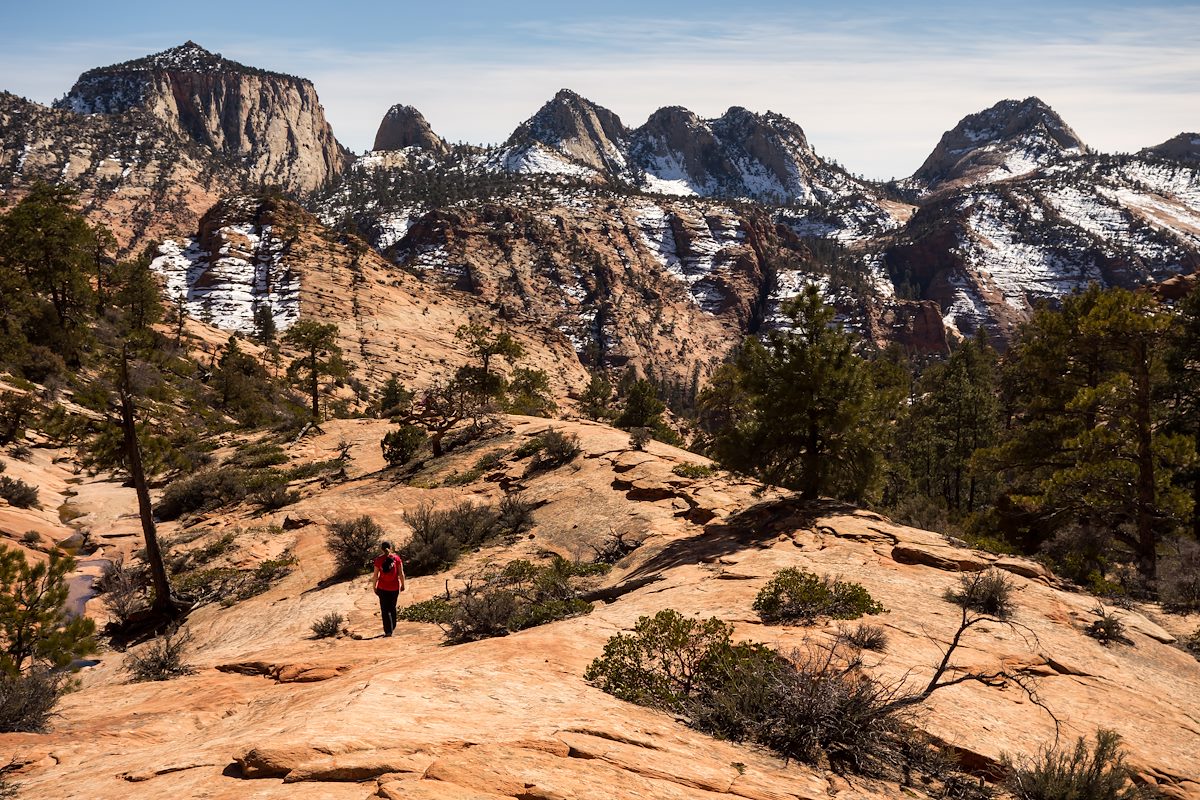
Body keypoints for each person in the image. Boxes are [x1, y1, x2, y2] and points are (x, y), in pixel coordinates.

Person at [371, 540, 405, 637]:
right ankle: (392, 626)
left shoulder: (378, 560)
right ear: (391, 547)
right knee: (392, 608)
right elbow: (401, 574)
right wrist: (403, 584)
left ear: (381, 549)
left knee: (384, 610)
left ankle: (388, 631)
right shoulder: (397, 558)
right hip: (394, 588)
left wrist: (374, 587)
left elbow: (375, 575)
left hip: (382, 588)